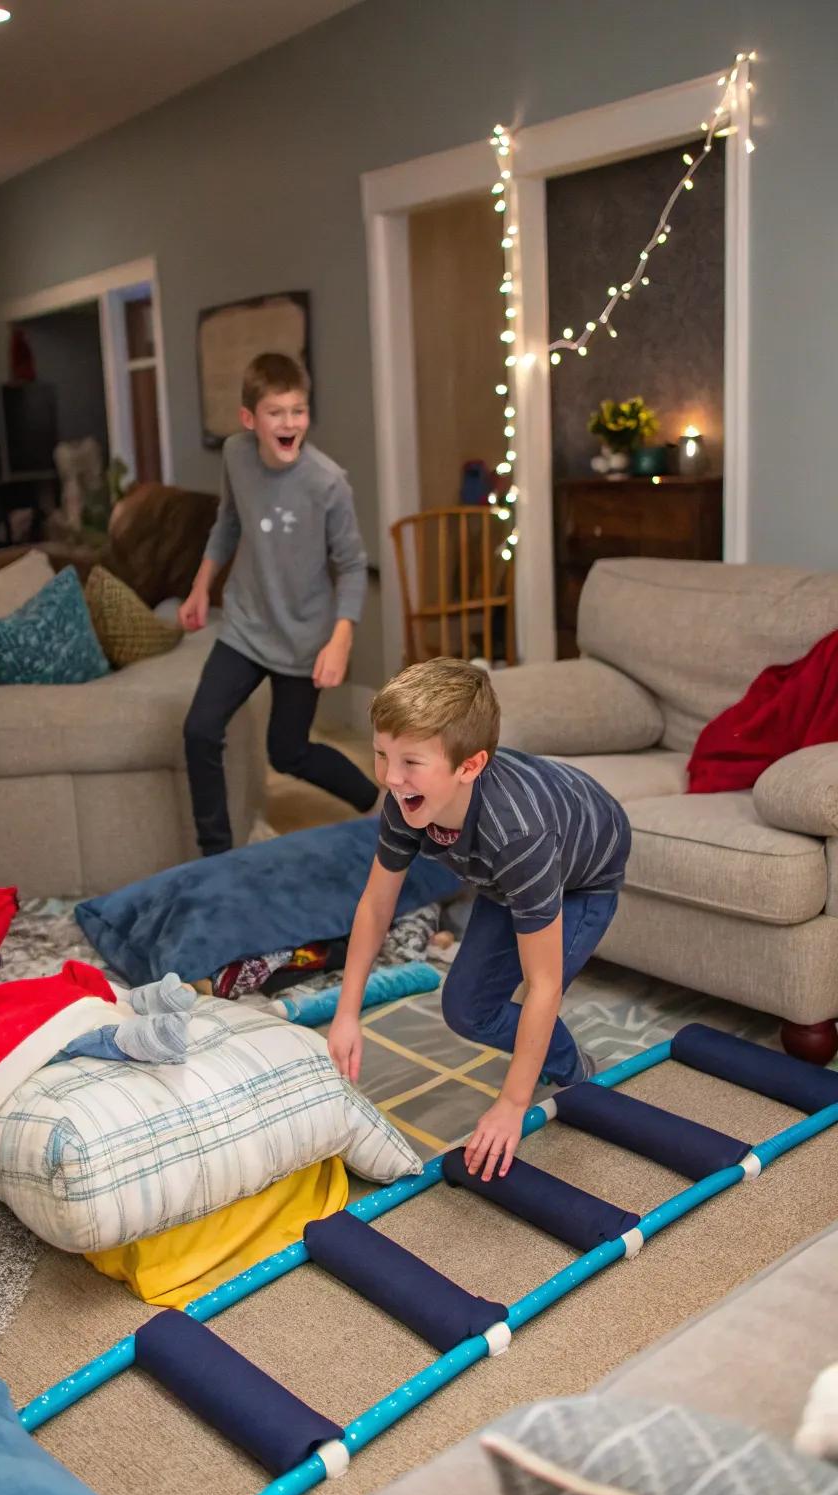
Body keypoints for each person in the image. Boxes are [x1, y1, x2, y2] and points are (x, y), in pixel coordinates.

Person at [327, 656, 632, 1183]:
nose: (391, 778)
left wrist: (512, 1104)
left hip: (583, 878)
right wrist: (346, 1013)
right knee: (466, 1009)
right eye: (381, 755)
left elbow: (543, 985)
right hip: (501, 877)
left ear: (468, 766)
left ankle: (576, 1071)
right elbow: (376, 905)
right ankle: (556, 1053)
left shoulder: (518, 837)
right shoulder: (405, 800)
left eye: (410, 763)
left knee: (537, 989)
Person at [180, 352, 378, 855]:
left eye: (298, 410)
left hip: (305, 638)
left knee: (288, 753)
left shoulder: (328, 482)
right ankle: (217, 857)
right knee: (200, 730)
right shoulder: (235, 456)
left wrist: (339, 640)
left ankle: (375, 801)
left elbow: (353, 565)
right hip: (245, 625)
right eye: (276, 412)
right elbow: (227, 523)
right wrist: (202, 586)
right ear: (250, 419)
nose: (290, 423)